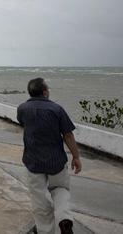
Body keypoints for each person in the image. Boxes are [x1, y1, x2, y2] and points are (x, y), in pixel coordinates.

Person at [16, 77, 82, 234]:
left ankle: (45, 231)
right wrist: (76, 156)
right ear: (45, 92)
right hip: (56, 161)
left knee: (38, 198)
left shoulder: (22, 109)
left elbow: (23, 123)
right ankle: (64, 220)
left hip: (33, 162)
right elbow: (68, 135)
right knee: (60, 189)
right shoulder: (57, 109)